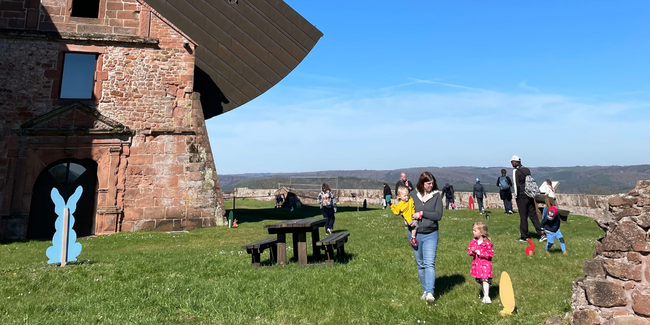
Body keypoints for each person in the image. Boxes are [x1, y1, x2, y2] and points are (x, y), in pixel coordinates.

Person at [409, 171, 443, 304]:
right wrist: (407, 220)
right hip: (415, 234)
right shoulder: (413, 195)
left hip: (430, 233)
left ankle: (430, 292)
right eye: (428, 183)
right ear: (422, 183)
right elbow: (405, 209)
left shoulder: (436, 196)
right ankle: (425, 290)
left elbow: (438, 215)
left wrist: (422, 213)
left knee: (429, 263)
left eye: (432, 183)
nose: (431, 185)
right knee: (420, 264)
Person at [511, 155, 546, 242]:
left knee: (523, 216)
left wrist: (516, 195)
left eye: (512, 161)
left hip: (521, 195)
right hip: (529, 194)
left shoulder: (516, 171)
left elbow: (516, 184)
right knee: (533, 215)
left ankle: (524, 236)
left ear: (516, 162)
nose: (512, 163)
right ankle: (541, 234)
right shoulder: (526, 169)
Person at [468, 221, 494, 304]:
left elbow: (490, 254)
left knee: (485, 279)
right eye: (473, 230)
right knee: (481, 281)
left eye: (475, 230)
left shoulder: (487, 243)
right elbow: (470, 252)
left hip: (485, 265)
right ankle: (484, 295)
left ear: (482, 232)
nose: (473, 232)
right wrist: (472, 251)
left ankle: (487, 296)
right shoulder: (473, 241)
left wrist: (480, 253)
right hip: (477, 265)